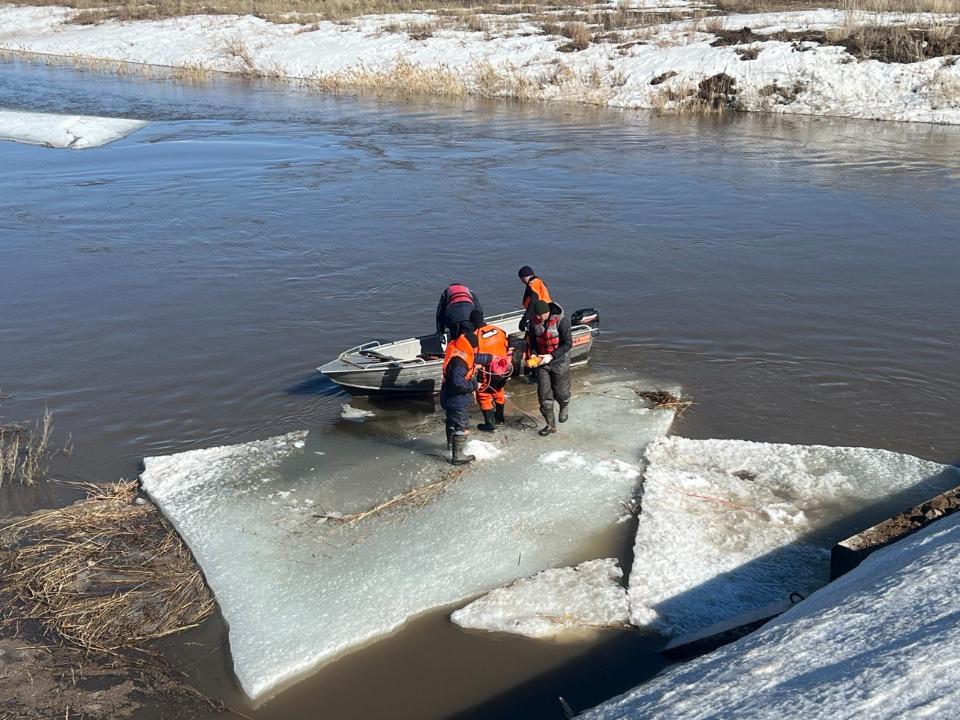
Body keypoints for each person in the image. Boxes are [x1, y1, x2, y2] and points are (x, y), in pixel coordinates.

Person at [440, 322, 492, 465]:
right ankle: (458, 457)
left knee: (451, 422)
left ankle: (450, 446)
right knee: (462, 427)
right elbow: (458, 384)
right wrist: (475, 385)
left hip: (448, 397)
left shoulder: (458, 348)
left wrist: (490, 358)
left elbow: (473, 357)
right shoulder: (459, 364)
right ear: (471, 346)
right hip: (456, 400)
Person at [527, 299, 572, 436]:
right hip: (542, 362)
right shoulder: (534, 322)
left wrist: (552, 356)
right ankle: (550, 426)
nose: (538, 318)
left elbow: (567, 343)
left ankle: (564, 405)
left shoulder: (561, 321)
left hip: (559, 361)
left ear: (547, 312)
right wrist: (534, 355)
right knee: (544, 396)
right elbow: (533, 342)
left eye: (540, 315)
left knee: (561, 392)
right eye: (536, 316)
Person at [469, 309, 510, 432]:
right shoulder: (498, 330)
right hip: (503, 369)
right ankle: (500, 418)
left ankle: (490, 424)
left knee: (483, 395)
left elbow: (474, 357)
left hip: (488, 372)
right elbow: (507, 346)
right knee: (498, 391)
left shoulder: (475, 336)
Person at [517, 266, 552, 332]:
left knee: (534, 330)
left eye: (522, 278)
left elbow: (533, 301)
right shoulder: (536, 283)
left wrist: (525, 319)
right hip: (541, 311)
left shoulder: (534, 284)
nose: (522, 281)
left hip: (542, 312)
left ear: (527, 276)